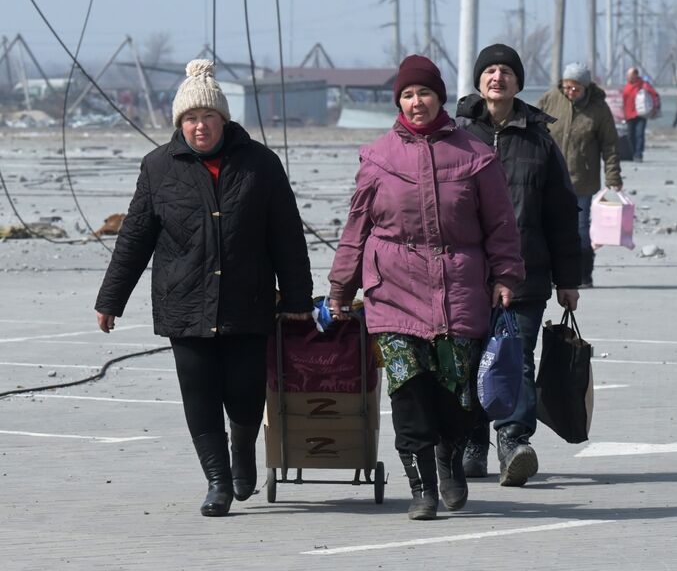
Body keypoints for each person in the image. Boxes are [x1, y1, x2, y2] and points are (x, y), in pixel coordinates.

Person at [95, 60, 313, 517]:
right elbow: (135, 237)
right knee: (200, 395)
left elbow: (287, 236)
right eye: (191, 119)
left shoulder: (261, 165)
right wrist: (111, 300)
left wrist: (296, 299)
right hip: (185, 303)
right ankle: (217, 480)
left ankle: (244, 453)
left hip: (247, 301)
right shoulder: (157, 168)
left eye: (207, 118)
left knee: (246, 392)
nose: (199, 127)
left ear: (223, 120)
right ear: (180, 123)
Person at [328, 55, 524, 520]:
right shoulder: (376, 158)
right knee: (408, 390)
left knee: (458, 395)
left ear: (440, 98)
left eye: (425, 94)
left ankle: (450, 458)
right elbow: (356, 229)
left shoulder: (475, 155)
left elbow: (501, 225)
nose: (417, 103)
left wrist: (506, 276)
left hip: (458, 290)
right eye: (408, 95)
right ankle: (421, 487)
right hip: (392, 292)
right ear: (399, 101)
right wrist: (340, 288)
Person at [456, 44, 582, 487]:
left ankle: (512, 441)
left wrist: (569, 279)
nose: (497, 77)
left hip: (526, 272)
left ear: (517, 82)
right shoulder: (456, 135)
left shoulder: (539, 142)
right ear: (478, 81)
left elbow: (563, 216)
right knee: (468, 361)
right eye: (489, 70)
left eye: (506, 71)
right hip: (466, 275)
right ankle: (472, 443)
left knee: (515, 358)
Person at [538, 62, 624, 288]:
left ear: (586, 87)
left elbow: (610, 145)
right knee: (549, 229)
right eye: (567, 87)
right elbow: (534, 132)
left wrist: (613, 177)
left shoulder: (598, 109)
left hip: (582, 181)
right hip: (551, 179)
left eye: (576, 88)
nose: (570, 92)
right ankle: (551, 275)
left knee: (580, 231)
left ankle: (584, 274)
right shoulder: (550, 99)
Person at [621, 67, 659, 161]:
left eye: (629, 75)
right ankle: (633, 153)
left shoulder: (643, 85)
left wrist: (655, 108)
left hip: (640, 114)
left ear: (635, 75)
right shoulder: (627, 86)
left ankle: (638, 154)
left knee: (639, 134)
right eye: (627, 75)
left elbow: (654, 95)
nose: (628, 77)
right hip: (629, 114)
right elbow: (624, 101)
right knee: (630, 135)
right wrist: (624, 114)